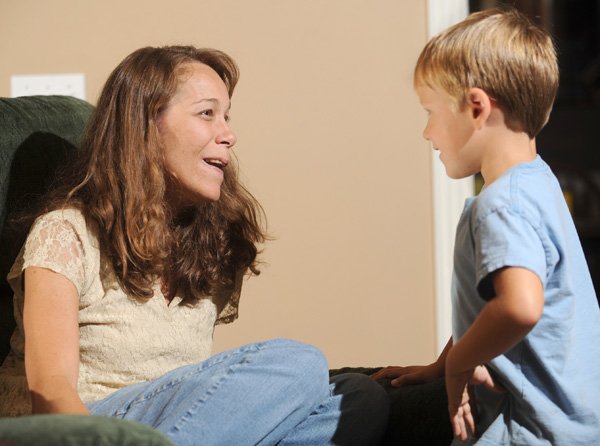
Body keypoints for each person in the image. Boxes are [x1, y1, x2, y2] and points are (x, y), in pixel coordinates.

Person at [0, 45, 389, 445]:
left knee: (358, 398)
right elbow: (50, 391)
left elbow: (197, 399)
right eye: (207, 113)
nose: (228, 134)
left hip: (176, 427)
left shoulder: (210, 242)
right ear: (145, 126)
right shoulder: (65, 233)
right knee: (301, 363)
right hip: (89, 426)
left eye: (226, 116)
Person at [372, 8, 600, 445]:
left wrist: (459, 367)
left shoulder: (500, 206)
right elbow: (490, 306)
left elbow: (518, 307)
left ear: (476, 107)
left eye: (431, 111)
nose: (426, 132)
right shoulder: (539, 181)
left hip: (525, 432)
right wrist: (443, 363)